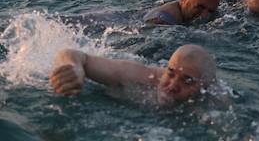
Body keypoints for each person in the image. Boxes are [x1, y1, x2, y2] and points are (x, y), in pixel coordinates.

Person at [50, 44, 218, 107]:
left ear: (204, 88)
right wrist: (74, 68)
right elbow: (71, 53)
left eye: (187, 81)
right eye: (171, 74)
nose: (172, 86)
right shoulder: (145, 77)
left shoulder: (215, 102)